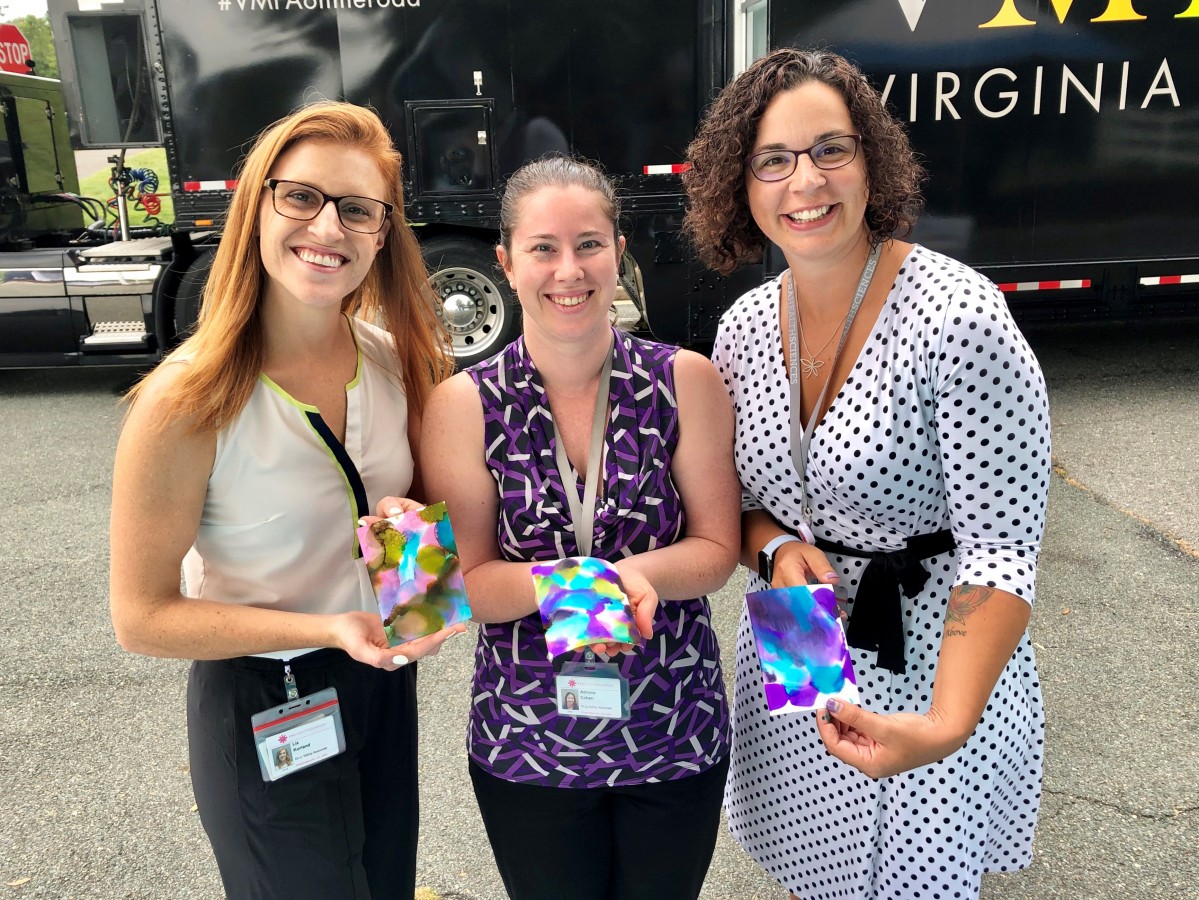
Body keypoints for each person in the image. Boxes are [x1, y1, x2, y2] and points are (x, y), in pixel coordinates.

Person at [682, 48, 1051, 900]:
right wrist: (773, 547)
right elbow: (736, 508)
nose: (802, 180)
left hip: (928, 654)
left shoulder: (958, 320)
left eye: (828, 149)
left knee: (909, 874)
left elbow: (1000, 553)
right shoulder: (741, 328)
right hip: (796, 628)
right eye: (772, 159)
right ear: (740, 185)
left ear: (870, 160)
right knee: (812, 857)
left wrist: (944, 724)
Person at [108, 101, 463, 900]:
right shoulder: (185, 400)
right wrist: (320, 628)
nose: (327, 228)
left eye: (357, 209)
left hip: (379, 685)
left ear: (382, 232)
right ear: (257, 205)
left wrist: (421, 610)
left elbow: (405, 512)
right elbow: (141, 617)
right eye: (301, 196)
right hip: (263, 696)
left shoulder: (395, 362)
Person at [415, 156, 740, 900]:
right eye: (543, 248)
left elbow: (717, 549)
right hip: (526, 740)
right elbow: (467, 584)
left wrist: (641, 575)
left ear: (618, 252)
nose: (569, 269)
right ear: (504, 262)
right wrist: (583, 583)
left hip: (672, 727)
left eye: (589, 244)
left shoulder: (683, 379)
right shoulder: (462, 404)